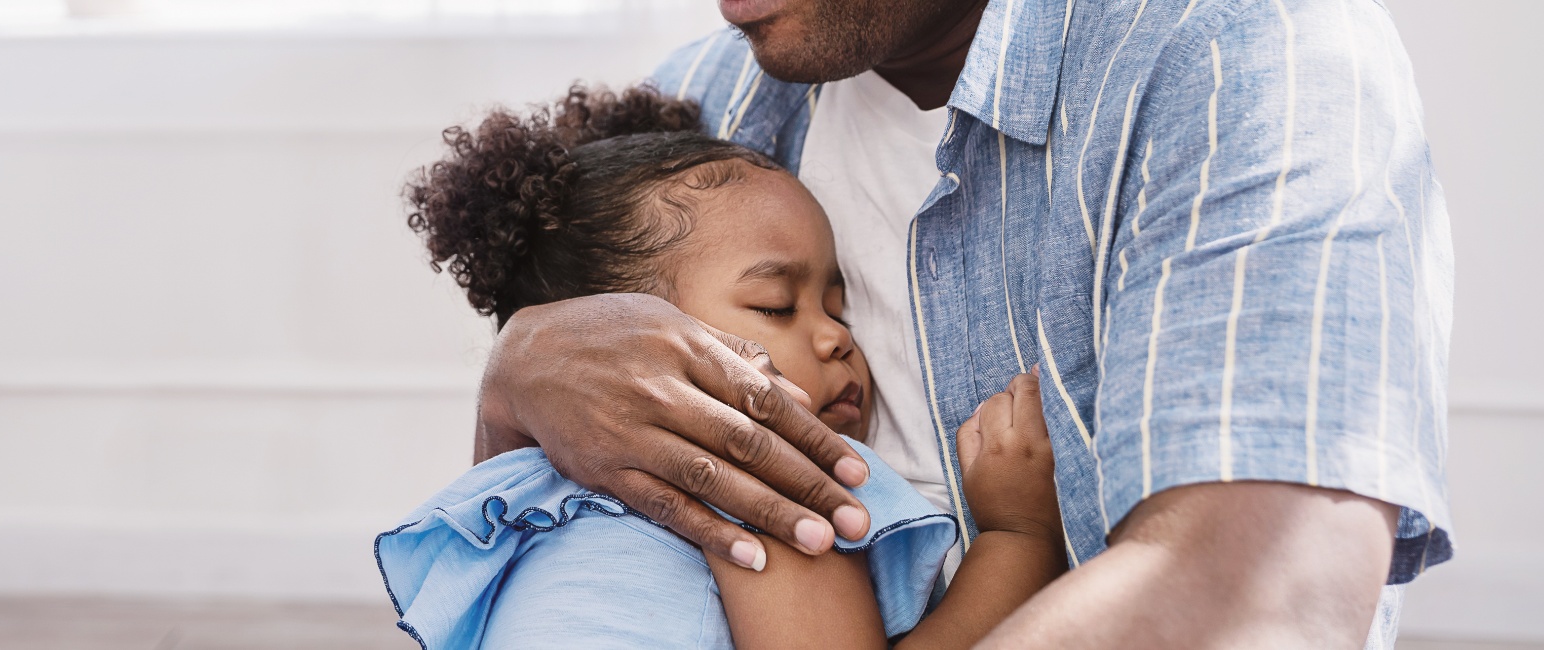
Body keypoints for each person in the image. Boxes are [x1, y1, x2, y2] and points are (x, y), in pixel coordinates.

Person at [472, 0, 1454, 648]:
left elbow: (1259, 593)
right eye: (778, 304)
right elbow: (537, 531)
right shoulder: (708, 110)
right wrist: (519, 370)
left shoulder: (1241, 54)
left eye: (828, 300)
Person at [376, 85, 1066, 649]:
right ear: (602, 349)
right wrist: (1018, 537)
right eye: (775, 306)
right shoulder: (753, 475)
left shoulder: (515, 491)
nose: (835, 340)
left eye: (841, 310)